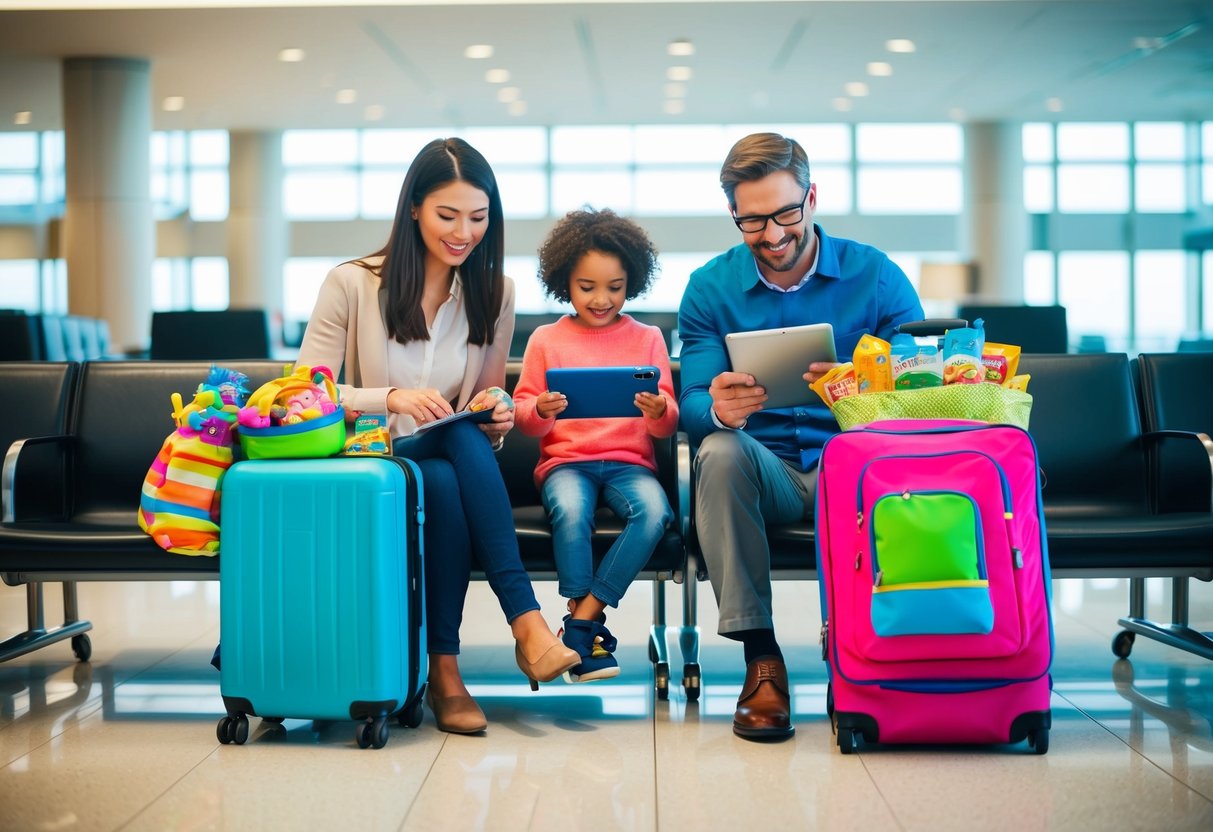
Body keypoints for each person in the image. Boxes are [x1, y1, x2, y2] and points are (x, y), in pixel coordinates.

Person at [296, 137, 578, 735]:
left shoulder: (494, 293)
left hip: (445, 460)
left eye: (478, 218)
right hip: (367, 458)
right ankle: (520, 626)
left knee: (452, 466)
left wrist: (497, 413)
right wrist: (388, 399)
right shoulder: (350, 283)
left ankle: (447, 672)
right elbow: (306, 396)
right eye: (448, 215)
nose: (463, 232)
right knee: (451, 457)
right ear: (415, 209)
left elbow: (482, 401)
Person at [677, 132, 924, 740]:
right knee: (719, 450)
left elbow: (923, 388)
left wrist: (859, 386)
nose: (772, 234)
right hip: (771, 471)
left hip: (856, 464)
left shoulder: (877, 275)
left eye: (786, 213)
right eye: (752, 220)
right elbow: (690, 404)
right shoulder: (709, 288)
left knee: (885, 457)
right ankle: (762, 659)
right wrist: (720, 408)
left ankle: (858, 656)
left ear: (812, 198)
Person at [512, 208, 678, 682]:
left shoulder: (648, 338)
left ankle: (581, 624)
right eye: (587, 288)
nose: (602, 299)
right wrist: (541, 410)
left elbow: (667, 424)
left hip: (630, 465)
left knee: (654, 512)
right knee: (569, 508)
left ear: (633, 282)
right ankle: (587, 628)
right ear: (565, 281)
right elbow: (525, 417)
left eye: (615, 287)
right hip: (567, 463)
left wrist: (657, 411)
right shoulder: (546, 340)